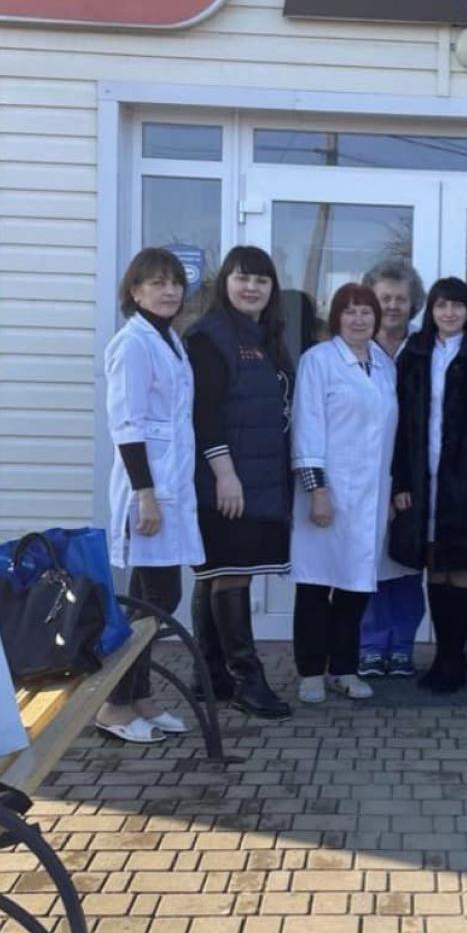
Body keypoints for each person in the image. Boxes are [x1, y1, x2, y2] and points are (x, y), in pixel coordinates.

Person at [97, 248, 204, 743]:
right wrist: (145, 493)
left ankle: (139, 698)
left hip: (171, 487)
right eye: (157, 283)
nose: (170, 291)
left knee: (152, 599)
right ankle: (113, 705)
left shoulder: (169, 340)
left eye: (176, 282)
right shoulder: (133, 344)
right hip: (149, 491)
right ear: (135, 291)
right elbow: (127, 424)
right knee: (156, 600)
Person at [185, 246, 293, 719]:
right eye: (242, 278)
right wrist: (224, 474)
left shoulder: (264, 335)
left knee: (217, 572)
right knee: (230, 573)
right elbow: (204, 414)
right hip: (228, 479)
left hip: (258, 477)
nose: (252, 287)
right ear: (224, 282)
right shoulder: (209, 337)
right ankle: (249, 681)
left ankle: (210, 676)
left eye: (261, 280)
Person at [390, 277, 467, 693]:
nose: (449, 313)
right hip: (425, 478)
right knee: (436, 567)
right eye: (441, 305)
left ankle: (457, 657)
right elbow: (401, 423)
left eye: (457, 305)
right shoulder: (416, 351)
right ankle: (443, 655)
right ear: (431, 310)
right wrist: (401, 480)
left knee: (463, 566)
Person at [290, 282, 398, 703]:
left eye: (366, 311)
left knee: (356, 586)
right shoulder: (318, 361)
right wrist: (317, 490)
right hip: (327, 491)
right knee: (316, 584)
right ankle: (310, 673)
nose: (358, 319)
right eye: (349, 311)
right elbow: (307, 427)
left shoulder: (383, 364)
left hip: (371, 495)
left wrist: (391, 492)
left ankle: (344, 668)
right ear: (336, 317)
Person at [357, 259, 426, 677]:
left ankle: (401, 644)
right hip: (366, 471)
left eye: (401, 298)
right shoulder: (357, 348)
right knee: (369, 561)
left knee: (406, 562)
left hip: (413, 472)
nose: (393, 306)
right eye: (385, 298)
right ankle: (369, 644)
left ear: (413, 302)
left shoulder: (424, 347)